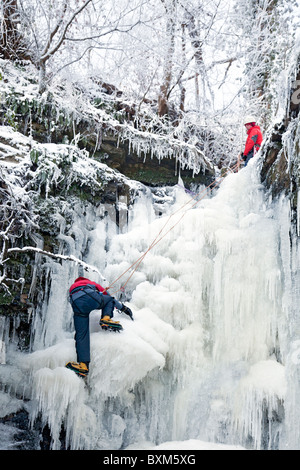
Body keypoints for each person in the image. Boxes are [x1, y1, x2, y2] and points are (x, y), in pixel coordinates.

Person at [65, 276, 133, 378]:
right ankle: (106, 319)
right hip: (88, 295)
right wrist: (123, 308)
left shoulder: (72, 287)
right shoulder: (90, 283)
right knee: (109, 300)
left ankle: (83, 365)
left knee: (81, 334)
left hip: (76, 304)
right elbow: (109, 297)